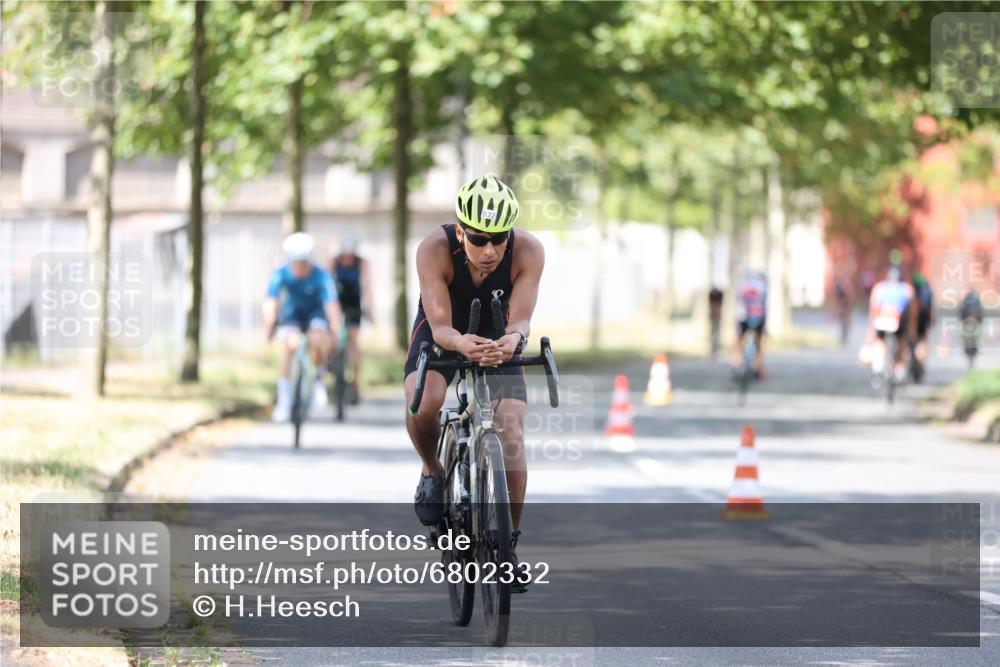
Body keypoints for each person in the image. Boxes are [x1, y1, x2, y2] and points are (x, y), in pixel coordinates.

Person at [404, 174, 544, 585]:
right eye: (479, 239)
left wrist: (513, 339)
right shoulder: (433, 249)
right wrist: (460, 344)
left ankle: (507, 545)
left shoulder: (529, 251)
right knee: (423, 402)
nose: (490, 250)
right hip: (444, 328)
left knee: (512, 431)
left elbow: (521, 319)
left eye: (499, 238)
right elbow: (442, 326)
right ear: (461, 230)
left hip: (499, 334)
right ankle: (432, 469)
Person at [263, 232, 342, 422]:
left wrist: (335, 331)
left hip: (315, 312)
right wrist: (269, 327)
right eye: (296, 263)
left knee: (317, 340)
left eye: (303, 263)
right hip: (292, 313)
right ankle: (284, 400)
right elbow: (270, 302)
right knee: (290, 346)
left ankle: (317, 382)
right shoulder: (280, 274)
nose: (299, 267)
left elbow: (332, 306)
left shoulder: (322, 276)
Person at [331, 237, 372, 404]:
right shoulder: (333, 262)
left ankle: (355, 380)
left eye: (350, 256)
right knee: (334, 337)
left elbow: (368, 286)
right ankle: (333, 372)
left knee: (353, 341)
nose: (347, 259)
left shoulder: (362, 263)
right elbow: (326, 284)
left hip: (354, 303)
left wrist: (370, 308)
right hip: (336, 303)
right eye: (345, 256)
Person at [866, 262, 916, 383]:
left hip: (882, 320)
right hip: (900, 322)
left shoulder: (879, 288)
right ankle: (899, 372)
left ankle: (878, 369)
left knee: (880, 343)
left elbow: (874, 309)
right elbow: (912, 312)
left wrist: (871, 329)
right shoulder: (907, 289)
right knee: (902, 343)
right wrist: (911, 329)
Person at [732, 270, 768, 378]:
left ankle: (734, 367)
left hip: (742, 318)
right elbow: (764, 305)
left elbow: (738, 302)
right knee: (759, 346)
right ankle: (760, 370)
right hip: (758, 317)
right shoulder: (762, 286)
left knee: (738, 345)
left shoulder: (742, 285)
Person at [911, 272, 934, 376]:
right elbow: (931, 310)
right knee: (923, 342)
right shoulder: (928, 292)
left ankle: (913, 360)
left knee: (910, 342)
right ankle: (919, 363)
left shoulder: (910, 291)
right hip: (923, 320)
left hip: (912, 320)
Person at [960, 289, 984, 368]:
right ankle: (972, 357)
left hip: (967, 323)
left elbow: (961, 314)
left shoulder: (965, 300)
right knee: (974, 341)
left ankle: (970, 357)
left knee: (968, 341)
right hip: (975, 323)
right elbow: (981, 314)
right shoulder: (977, 301)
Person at [708, 286, 723, 359]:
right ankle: (713, 351)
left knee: (716, 334)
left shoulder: (719, 296)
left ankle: (715, 351)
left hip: (717, 316)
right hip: (714, 316)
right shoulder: (712, 296)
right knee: (713, 334)